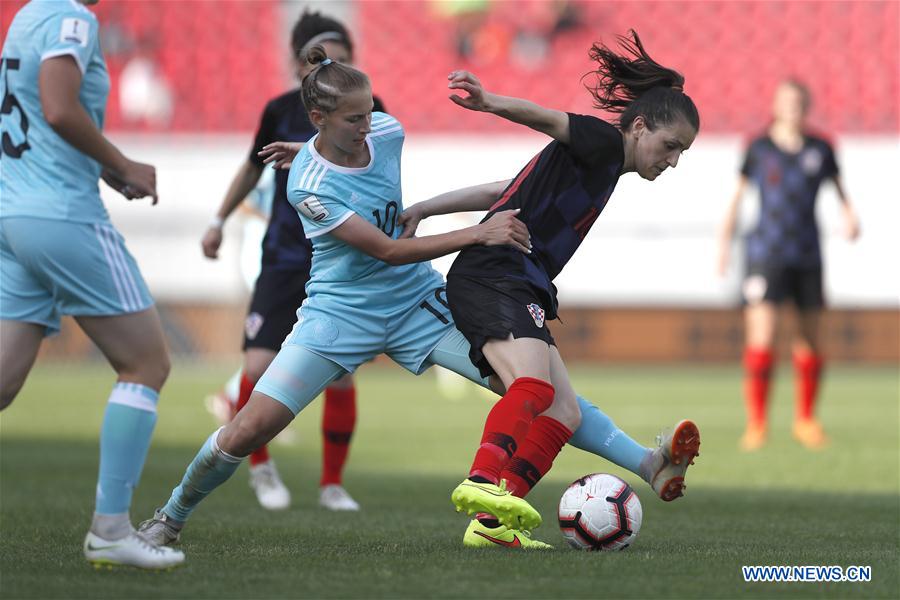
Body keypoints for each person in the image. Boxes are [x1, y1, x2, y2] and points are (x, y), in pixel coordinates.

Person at [138, 43, 699, 554]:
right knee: (248, 430)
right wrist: (476, 232)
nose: (368, 125)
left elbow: (511, 188)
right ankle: (170, 517)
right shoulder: (307, 185)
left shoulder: (387, 133)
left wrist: (429, 204)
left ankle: (636, 467)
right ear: (318, 119)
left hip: (417, 303)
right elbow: (384, 250)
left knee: (547, 398)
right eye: (354, 119)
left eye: (369, 113)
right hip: (340, 314)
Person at [421, 30, 703, 544]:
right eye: (670, 146)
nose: (673, 161)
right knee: (534, 388)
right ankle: (481, 480)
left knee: (565, 412)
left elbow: (504, 190)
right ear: (640, 127)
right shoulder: (603, 143)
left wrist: (422, 208)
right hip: (494, 274)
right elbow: (549, 118)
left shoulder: (603, 166)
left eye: (682, 152)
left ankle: (491, 525)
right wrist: (489, 103)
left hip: (519, 283)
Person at [0, 0, 182, 569]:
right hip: (61, 216)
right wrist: (122, 163)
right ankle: (110, 530)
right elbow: (57, 108)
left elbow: (35, 114)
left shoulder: (27, 16)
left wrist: (100, 167)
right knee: (146, 363)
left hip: (13, 212)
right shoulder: (71, 19)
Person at [200, 11, 385, 511]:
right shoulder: (280, 111)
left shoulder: (372, 112)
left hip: (342, 258)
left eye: (342, 60)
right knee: (258, 365)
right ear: (299, 64)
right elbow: (251, 168)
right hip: (284, 256)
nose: (333, 69)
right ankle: (260, 469)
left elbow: (378, 170)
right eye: (322, 60)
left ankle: (332, 484)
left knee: (340, 371)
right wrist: (218, 220)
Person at [717, 79, 860, 451]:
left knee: (810, 339)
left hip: (807, 253)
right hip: (766, 252)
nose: (792, 107)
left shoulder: (820, 148)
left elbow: (839, 189)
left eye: (797, 101)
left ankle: (806, 421)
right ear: (776, 105)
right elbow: (737, 196)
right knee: (762, 336)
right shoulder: (759, 148)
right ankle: (757, 423)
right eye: (786, 101)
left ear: (806, 106)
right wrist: (724, 244)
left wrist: (849, 215)